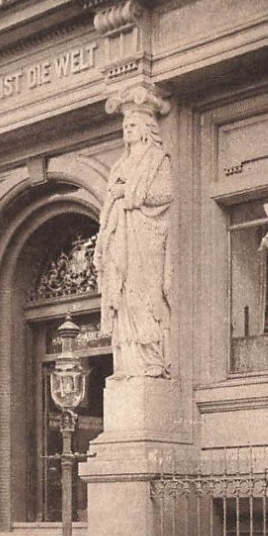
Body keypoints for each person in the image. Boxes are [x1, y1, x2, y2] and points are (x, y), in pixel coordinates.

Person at [95, 103, 174, 378]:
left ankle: (150, 360)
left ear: (145, 129)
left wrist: (127, 193)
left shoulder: (157, 159)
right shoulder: (120, 163)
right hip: (121, 237)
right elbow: (109, 202)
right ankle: (126, 363)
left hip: (145, 237)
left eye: (132, 126)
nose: (127, 130)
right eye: (125, 126)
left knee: (144, 296)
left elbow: (165, 195)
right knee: (123, 298)